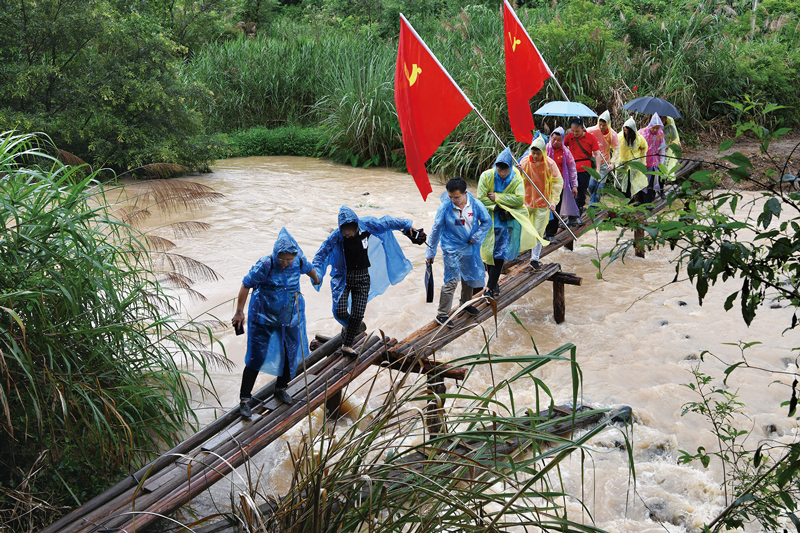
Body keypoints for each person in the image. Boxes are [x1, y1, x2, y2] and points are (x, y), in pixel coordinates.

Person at [232, 228, 320, 416]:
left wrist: (316, 279)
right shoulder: (266, 264)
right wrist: (239, 312)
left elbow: (310, 270)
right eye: (282, 259)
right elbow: (246, 285)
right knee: (257, 356)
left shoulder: (299, 262)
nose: (285, 263)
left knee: (290, 353)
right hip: (263, 318)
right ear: (275, 254)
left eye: (289, 259)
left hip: (289, 318)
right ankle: (245, 398)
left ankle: (280, 388)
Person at [313, 206, 419, 356]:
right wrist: (316, 274)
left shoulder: (366, 225)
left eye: (350, 230)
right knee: (339, 311)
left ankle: (347, 345)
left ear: (356, 225)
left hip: (363, 277)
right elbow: (320, 256)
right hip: (343, 278)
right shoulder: (336, 236)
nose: (348, 233)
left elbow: (387, 222)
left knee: (357, 313)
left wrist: (407, 225)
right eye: (344, 230)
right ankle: (348, 326)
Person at [426, 176, 491, 328]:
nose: (453, 200)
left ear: (465, 193)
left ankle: (465, 304)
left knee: (468, 278)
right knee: (451, 281)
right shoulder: (445, 207)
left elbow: (487, 222)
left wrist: (476, 236)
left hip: (469, 247)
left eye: (456, 197)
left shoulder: (475, 205)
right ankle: (442, 314)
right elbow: (436, 230)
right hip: (450, 248)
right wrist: (430, 252)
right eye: (450, 197)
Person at [477, 147, 540, 298]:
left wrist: (498, 198)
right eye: (500, 169)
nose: (502, 173)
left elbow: (519, 199)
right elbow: (481, 198)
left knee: (500, 253)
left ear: (510, 168)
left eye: (505, 170)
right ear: (495, 166)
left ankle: (491, 287)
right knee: (487, 253)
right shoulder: (486, 176)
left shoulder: (516, 176)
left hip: (505, 221)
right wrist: (498, 205)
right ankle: (494, 283)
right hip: (489, 220)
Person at [519, 136, 562, 271]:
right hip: (526, 202)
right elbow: (516, 182)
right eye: (533, 152)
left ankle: (534, 259)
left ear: (543, 152)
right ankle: (518, 252)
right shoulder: (524, 162)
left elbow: (557, 183)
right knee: (523, 229)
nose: (535, 156)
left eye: (538, 153)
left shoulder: (550, 164)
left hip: (543, 204)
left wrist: (553, 201)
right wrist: (518, 172)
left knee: (538, 232)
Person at [564, 117, 602, 216]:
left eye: (577, 131)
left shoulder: (590, 138)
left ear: (582, 128)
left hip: (585, 169)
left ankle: (578, 213)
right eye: (573, 131)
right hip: (571, 169)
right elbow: (561, 147)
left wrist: (597, 169)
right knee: (571, 191)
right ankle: (571, 214)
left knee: (581, 192)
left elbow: (597, 154)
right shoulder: (569, 137)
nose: (575, 133)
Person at [545, 126, 579, 235]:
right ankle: (543, 232)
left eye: (558, 140)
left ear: (562, 140)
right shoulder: (545, 149)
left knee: (555, 209)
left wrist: (574, 185)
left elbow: (572, 168)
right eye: (553, 139)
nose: (555, 142)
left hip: (560, 185)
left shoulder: (566, 152)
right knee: (544, 209)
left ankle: (551, 233)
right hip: (545, 184)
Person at [586, 110, 620, 206]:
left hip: (604, 163)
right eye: (600, 124)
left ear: (608, 124)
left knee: (600, 186)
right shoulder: (592, 130)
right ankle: (594, 201)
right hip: (593, 161)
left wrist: (612, 163)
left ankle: (593, 206)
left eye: (603, 125)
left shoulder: (612, 134)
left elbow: (616, 149)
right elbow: (582, 135)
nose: (601, 127)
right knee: (591, 185)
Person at [613, 117, 648, 202]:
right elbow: (614, 147)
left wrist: (642, 161)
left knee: (630, 182)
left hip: (634, 164)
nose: (626, 132)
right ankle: (627, 198)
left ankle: (629, 199)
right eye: (624, 130)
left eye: (627, 130)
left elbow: (644, 148)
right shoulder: (620, 137)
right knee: (620, 182)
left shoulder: (639, 138)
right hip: (623, 163)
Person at [638, 113, 667, 203]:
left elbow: (662, 149)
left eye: (657, 128)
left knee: (650, 183)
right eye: (653, 127)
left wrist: (661, 163)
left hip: (653, 163)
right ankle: (640, 200)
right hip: (642, 161)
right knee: (640, 182)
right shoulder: (642, 133)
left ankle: (648, 202)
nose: (655, 130)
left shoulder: (660, 134)